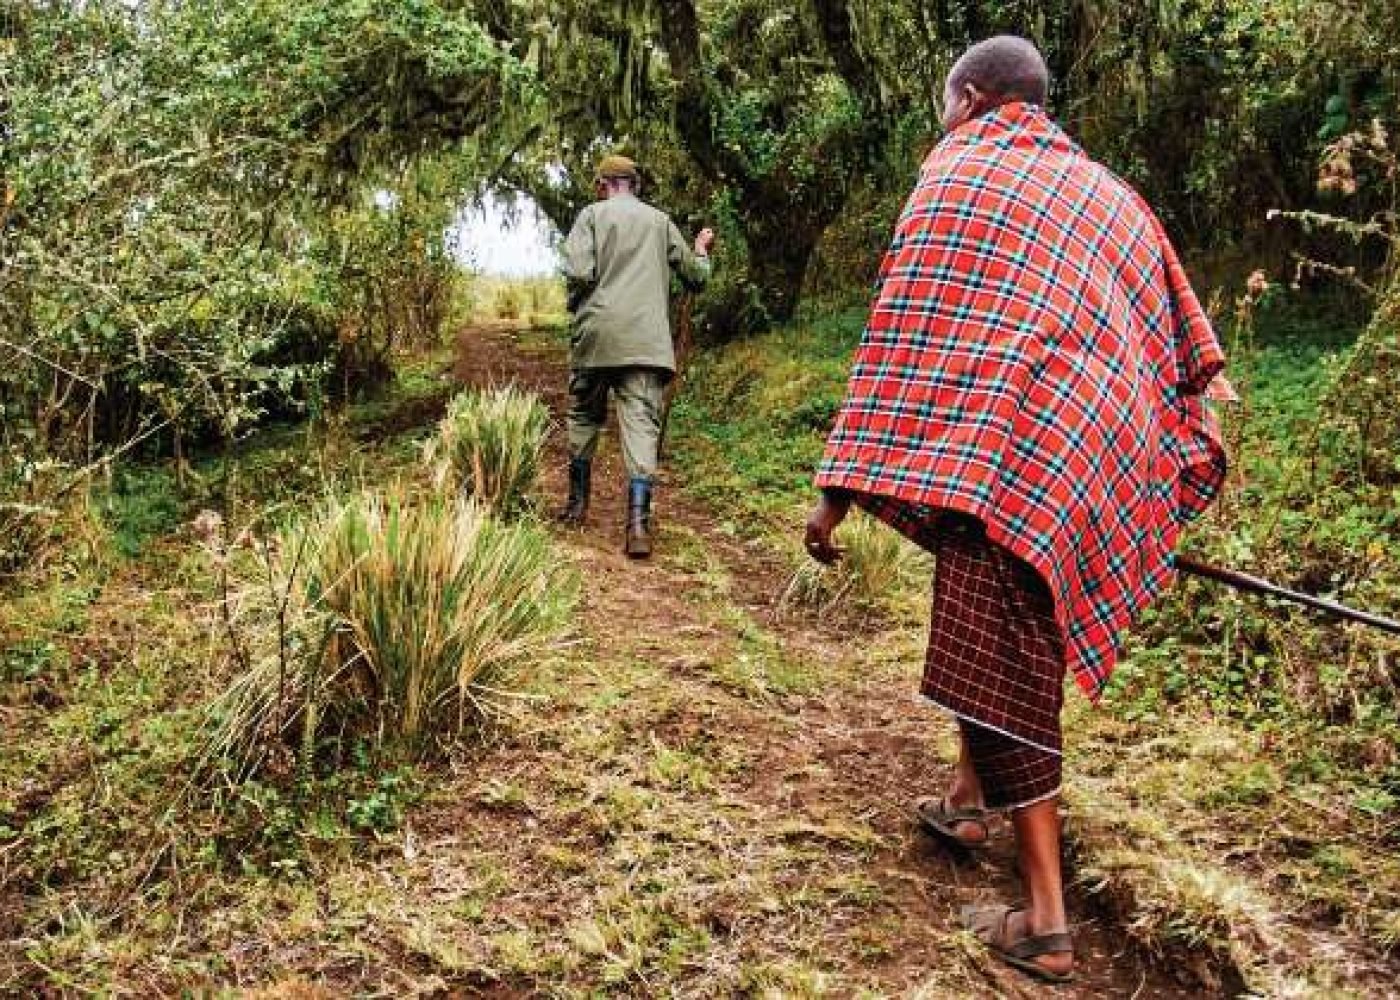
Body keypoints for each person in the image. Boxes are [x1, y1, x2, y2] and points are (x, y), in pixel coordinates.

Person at [804, 36, 1228, 984]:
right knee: (982, 627)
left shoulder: (957, 173)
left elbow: (902, 335)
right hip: (1102, 451)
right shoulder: (1113, 195)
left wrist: (836, 489)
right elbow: (1179, 344)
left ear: (968, 97)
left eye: (943, 101)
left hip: (1017, 455)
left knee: (1008, 656)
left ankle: (1044, 919)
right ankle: (965, 797)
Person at [558, 154, 715, 558]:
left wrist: (577, 302)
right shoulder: (660, 222)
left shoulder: (590, 216)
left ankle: (576, 508)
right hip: (646, 342)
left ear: (601, 184)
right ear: (636, 185)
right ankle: (639, 526)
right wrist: (701, 249)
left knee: (583, 415)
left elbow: (577, 272)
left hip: (596, 336)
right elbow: (696, 277)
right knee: (642, 427)